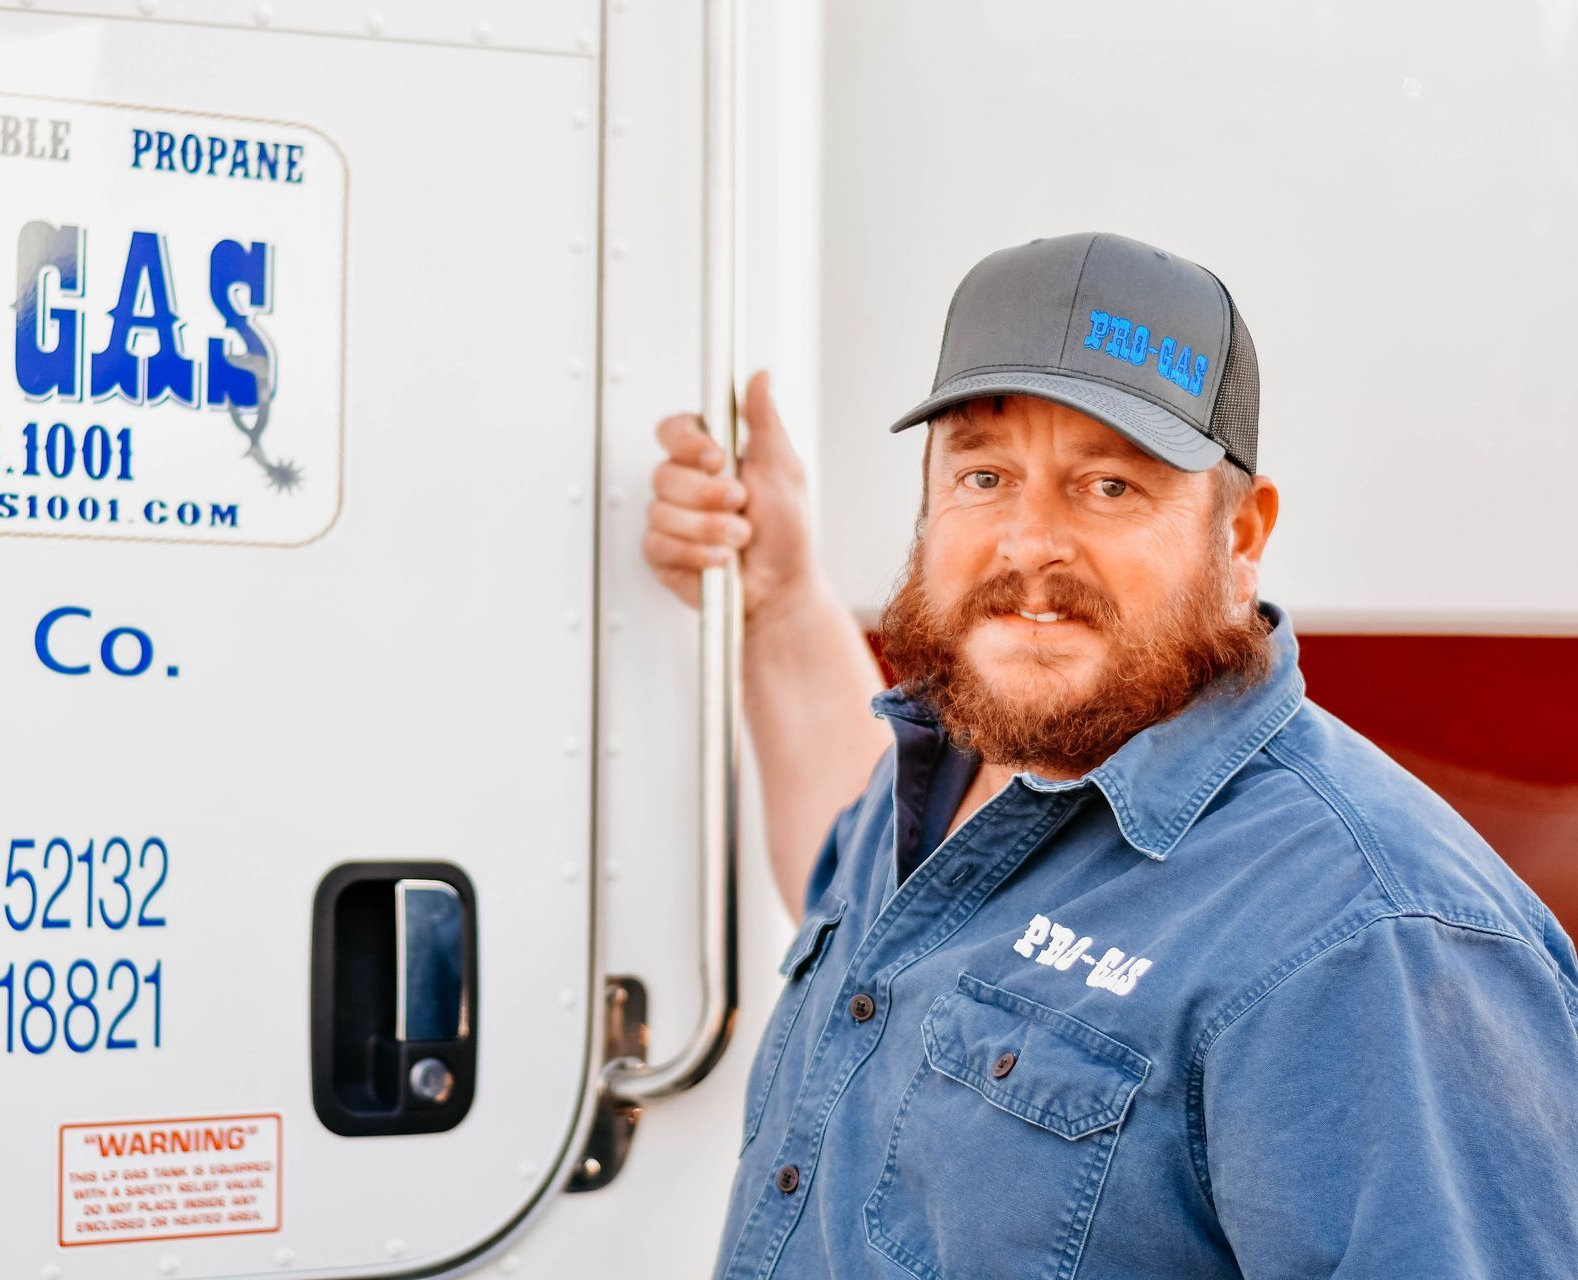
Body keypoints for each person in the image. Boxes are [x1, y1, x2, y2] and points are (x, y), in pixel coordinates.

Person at [644, 231, 1578, 1279]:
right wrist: (774, 600)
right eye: (986, 475)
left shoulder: (1368, 940)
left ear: (1241, 536)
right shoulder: (961, 769)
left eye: (1110, 487)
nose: (1029, 542)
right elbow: (880, 923)